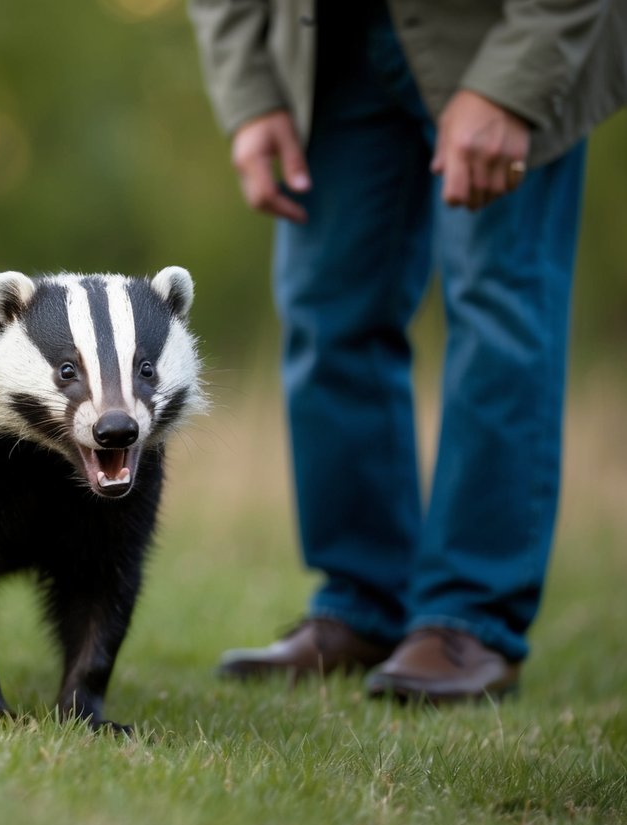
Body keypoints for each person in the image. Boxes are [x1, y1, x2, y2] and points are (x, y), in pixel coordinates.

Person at [187, 0, 626, 702]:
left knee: (497, 315)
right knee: (324, 315)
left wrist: (515, 80)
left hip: (498, 32)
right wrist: (250, 89)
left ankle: (469, 618)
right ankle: (362, 603)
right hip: (326, 47)